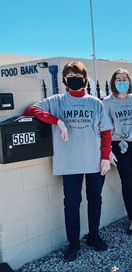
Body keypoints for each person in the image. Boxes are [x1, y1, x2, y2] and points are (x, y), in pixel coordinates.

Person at [23, 61, 112, 262]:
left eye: (77, 74)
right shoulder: (57, 101)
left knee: (95, 200)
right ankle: (73, 243)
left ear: (84, 78)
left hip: (94, 162)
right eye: (70, 74)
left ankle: (94, 236)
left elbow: (106, 132)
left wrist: (105, 157)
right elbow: (30, 110)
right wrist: (57, 121)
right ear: (64, 79)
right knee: (71, 203)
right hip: (69, 163)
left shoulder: (95, 102)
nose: (74, 78)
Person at [102, 68, 132, 235]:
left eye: (124, 78)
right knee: (127, 181)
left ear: (129, 81)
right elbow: (105, 129)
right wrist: (108, 151)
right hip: (119, 146)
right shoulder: (107, 102)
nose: (122, 81)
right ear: (113, 82)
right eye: (118, 78)